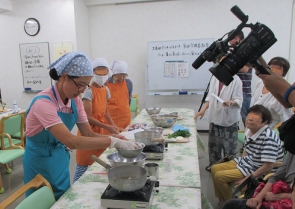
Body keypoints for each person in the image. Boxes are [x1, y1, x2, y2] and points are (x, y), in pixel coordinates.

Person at [23, 52, 140, 200]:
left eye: (86, 85)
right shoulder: (43, 103)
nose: (82, 90)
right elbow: (71, 141)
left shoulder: (75, 101)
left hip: (59, 157)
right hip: (40, 161)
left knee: (63, 198)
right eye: (80, 85)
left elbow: (88, 133)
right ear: (64, 76)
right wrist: (112, 141)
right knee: (42, 200)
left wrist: (114, 136)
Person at [211, 105, 284, 208]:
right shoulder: (250, 130)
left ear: (265, 122)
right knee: (214, 168)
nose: (249, 119)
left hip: (259, 167)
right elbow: (247, 150)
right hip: (249, 161)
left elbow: (268, 166)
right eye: (249, 116)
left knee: (220, 176)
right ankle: (223, 199)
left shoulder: (268, 138)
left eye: (255, 117)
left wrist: (246, 179)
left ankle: (232, 204)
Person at [73, 58, 122, 182]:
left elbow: (105, 111)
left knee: (98, 166)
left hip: (100, 132)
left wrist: (113, 126)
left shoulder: (105, 89)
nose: (101, 76)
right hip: (88, 132)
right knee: (84, 167)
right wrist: (107, 127)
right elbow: (87, 117)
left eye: (104, 73)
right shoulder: (88, 91)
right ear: (92, 73)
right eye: (98, 73)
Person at [194, 71, 243, 171]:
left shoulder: (236, 80)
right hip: (215, 116)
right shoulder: (215, 77)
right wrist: (203, 110)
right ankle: (214, 166)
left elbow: (238, 99)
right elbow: (210, 96)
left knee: (229, 147)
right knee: (213, 146)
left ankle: (228, 168)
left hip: (229, 119)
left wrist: (231, 102)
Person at [220, 152, 295, 209]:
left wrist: (282, 196)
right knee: (231, 203)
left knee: (221, 177)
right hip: (280, 193)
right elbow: (276, 177)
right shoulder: (292, 151)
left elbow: (267, 166)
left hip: (286, 200)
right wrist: (259, 197)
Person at [250, 57, 293, 129]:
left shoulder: (283, 91)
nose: (274, 71)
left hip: (268, 131)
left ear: (284, 73)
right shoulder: (260, 83)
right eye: (272, 68)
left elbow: (287, 118)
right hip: (252, 127)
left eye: (278, 69)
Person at [228, 29, 253, 127]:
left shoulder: (246, 53)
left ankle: (249, 139)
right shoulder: (230, 53)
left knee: (246, 118)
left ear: (241, 39)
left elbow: (245, 69)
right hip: (231, 90)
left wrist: (229, 62)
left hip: (244, 91)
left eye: (235, 38)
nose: (232, 41)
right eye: (230, 39)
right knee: (230, 116)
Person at [105, 60, 133, 132]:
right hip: (110, 119)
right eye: (118, 75)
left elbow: (128, 100)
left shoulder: (128, 83)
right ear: (113, 74)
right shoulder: (105, 84)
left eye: (124, 75)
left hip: (125, 118)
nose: (121, 78)